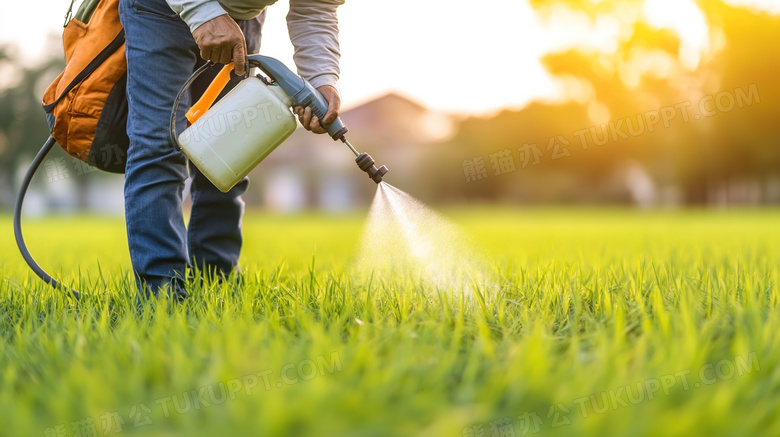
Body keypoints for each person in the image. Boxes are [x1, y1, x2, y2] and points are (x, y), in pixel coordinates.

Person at [118, 0, 345, 301]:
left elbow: (315, 8)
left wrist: (321, 79)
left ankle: (217, 285)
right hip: (160, 10)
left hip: (243, 18)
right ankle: (162, 296)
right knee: (160, 146)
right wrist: (202, 11)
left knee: (228, 149)